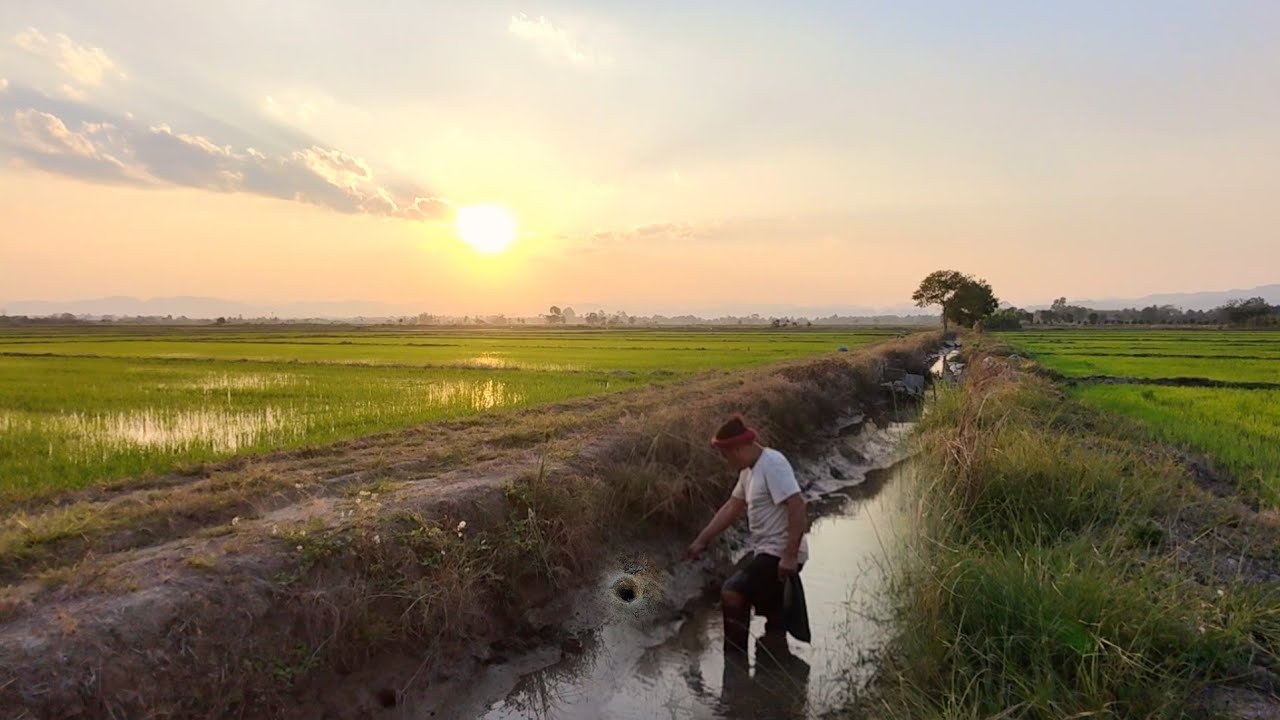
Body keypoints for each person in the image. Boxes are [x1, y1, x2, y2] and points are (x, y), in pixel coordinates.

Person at [686, 416, 810, 655]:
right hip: (767, 552)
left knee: (732, 592)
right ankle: (772, 671)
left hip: (779, 553)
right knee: (775, 620)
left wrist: (789, 555)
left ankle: (735, 665)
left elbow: (797, 505)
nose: (726, 461)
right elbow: (732, 507)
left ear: (739, 448)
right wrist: (702, 539)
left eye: (727, 455)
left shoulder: (772, 464)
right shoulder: (749, 472)